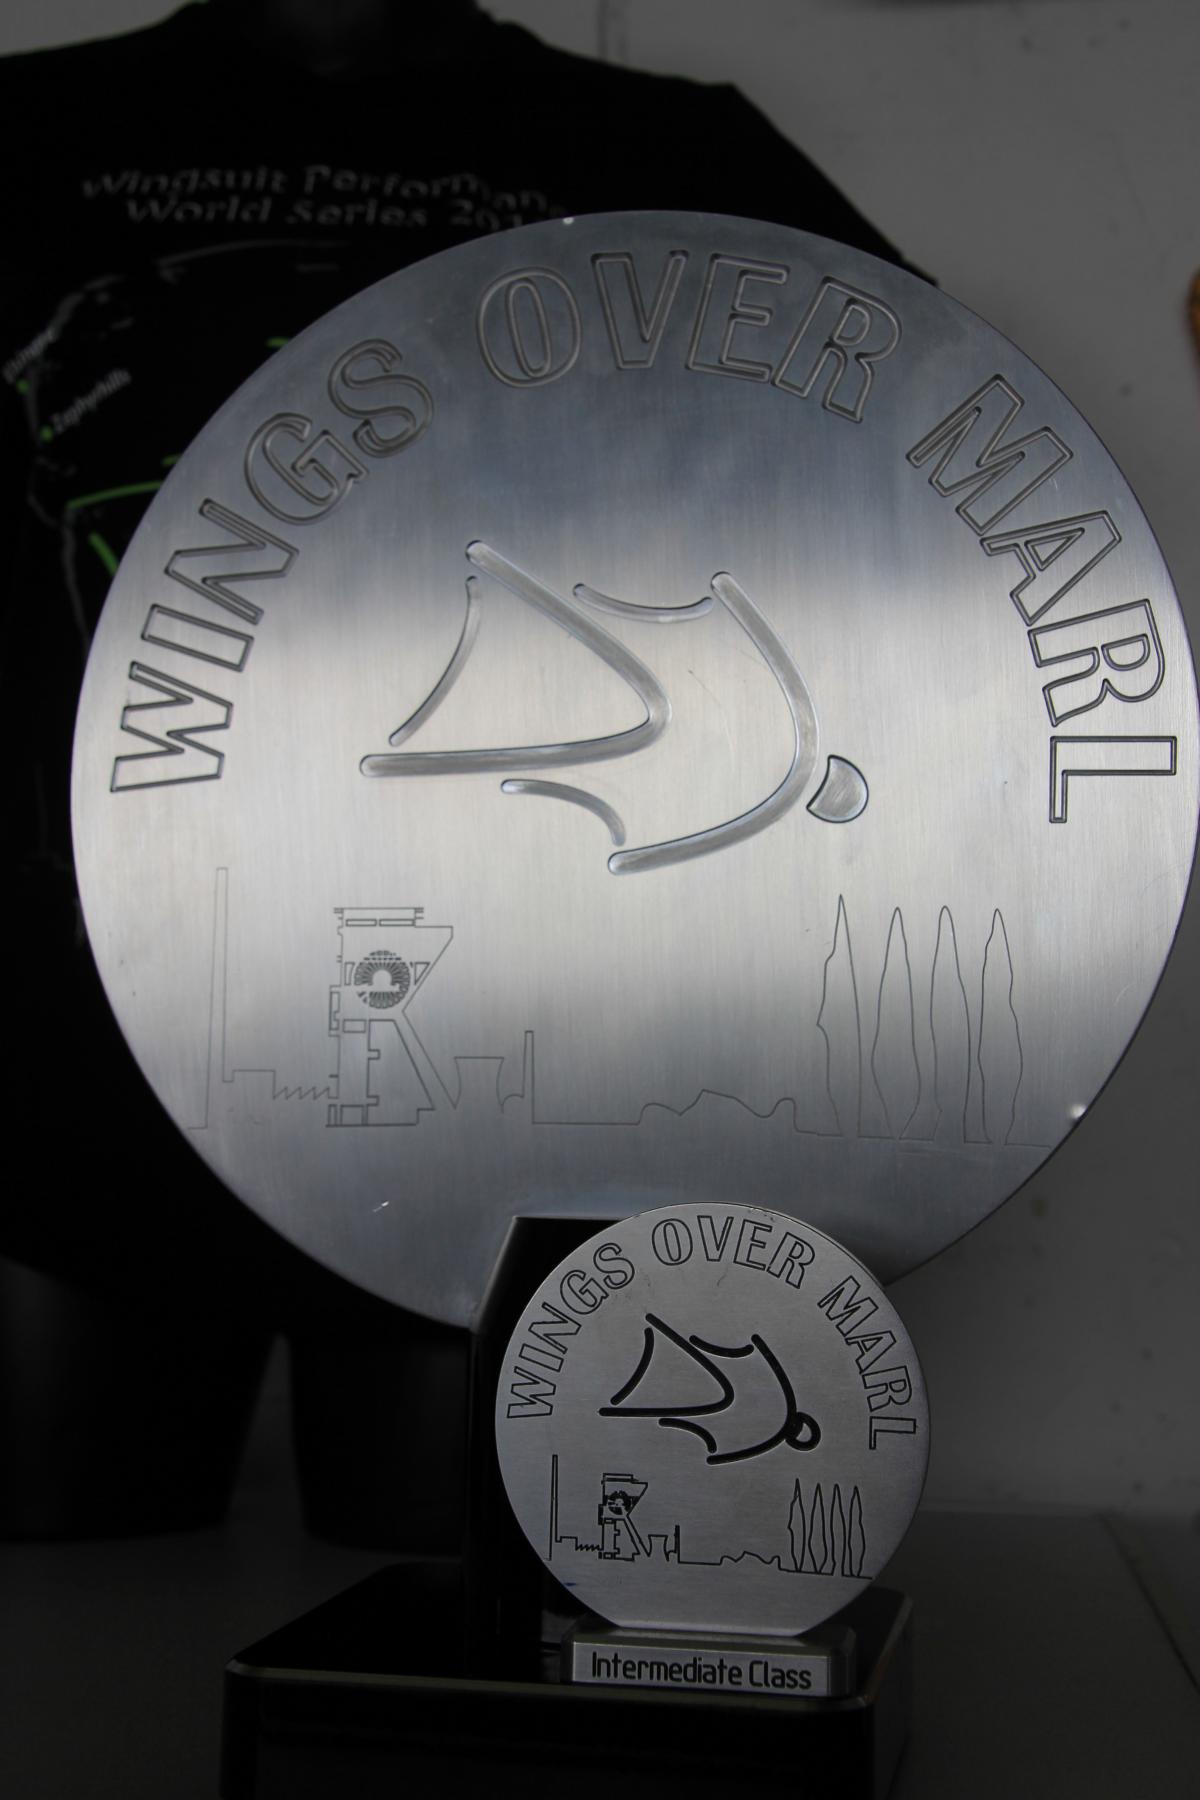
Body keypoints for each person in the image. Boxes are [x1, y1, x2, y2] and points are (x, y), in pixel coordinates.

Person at [0, 0, 916, 1543]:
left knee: (457, 1645)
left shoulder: (679, 158)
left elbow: (888, 520)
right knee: (56, 1639)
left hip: (501, 1088)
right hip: (54, 1073)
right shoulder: (24, 135)